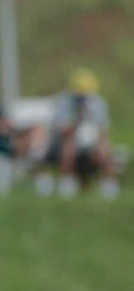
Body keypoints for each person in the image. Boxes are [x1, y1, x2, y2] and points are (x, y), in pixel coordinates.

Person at [37, 68, 119, 199]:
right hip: (65, 141)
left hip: (90, 142)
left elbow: (102, 131)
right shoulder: (63, 102)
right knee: (68, 147)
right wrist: (78, 118)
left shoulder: (98, 103)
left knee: (104, 150)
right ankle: (66, 183)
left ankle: (108, 185)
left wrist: (101, 146)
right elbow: (63, 132)